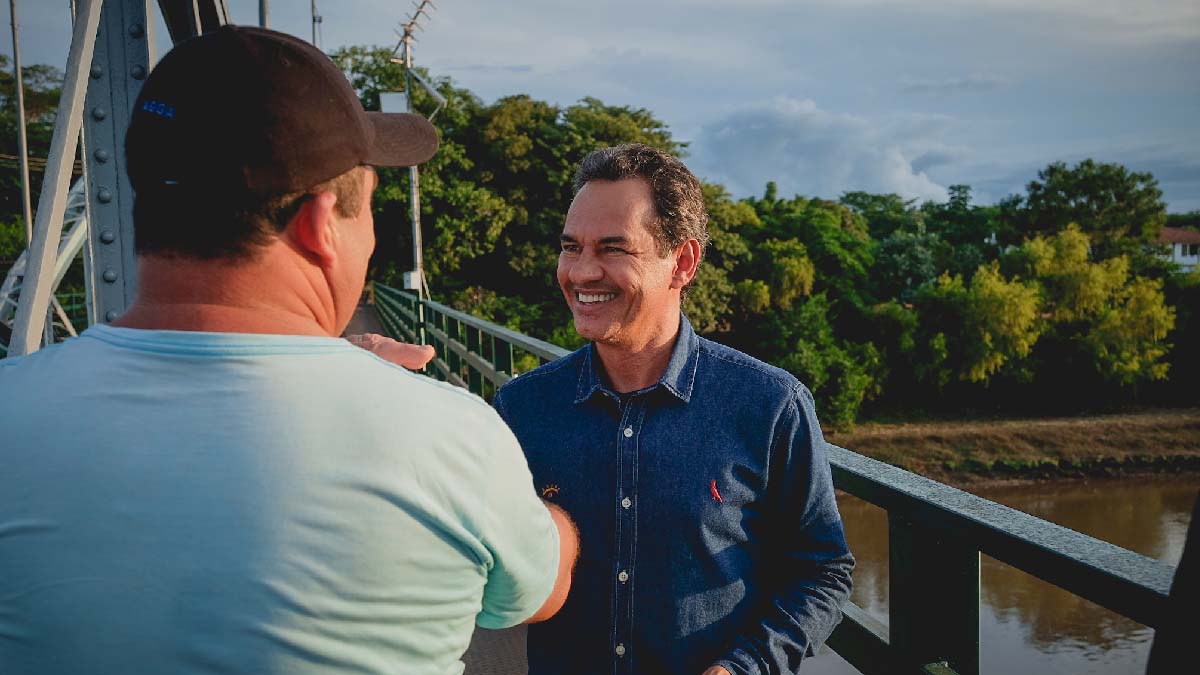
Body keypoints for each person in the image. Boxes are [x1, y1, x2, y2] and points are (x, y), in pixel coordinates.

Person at [0, 26, 576, 675]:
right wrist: (549, 506)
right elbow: (537, 593)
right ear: (321, 222)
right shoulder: (451, 434)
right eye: (370, 210)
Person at [492, 144, 854, 675]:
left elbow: (822, 570)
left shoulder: (770, 405)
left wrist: (746, 667)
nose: (582, 272)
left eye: (613, 249)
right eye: (571, 248)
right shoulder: (522, 408)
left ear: (681, 263)